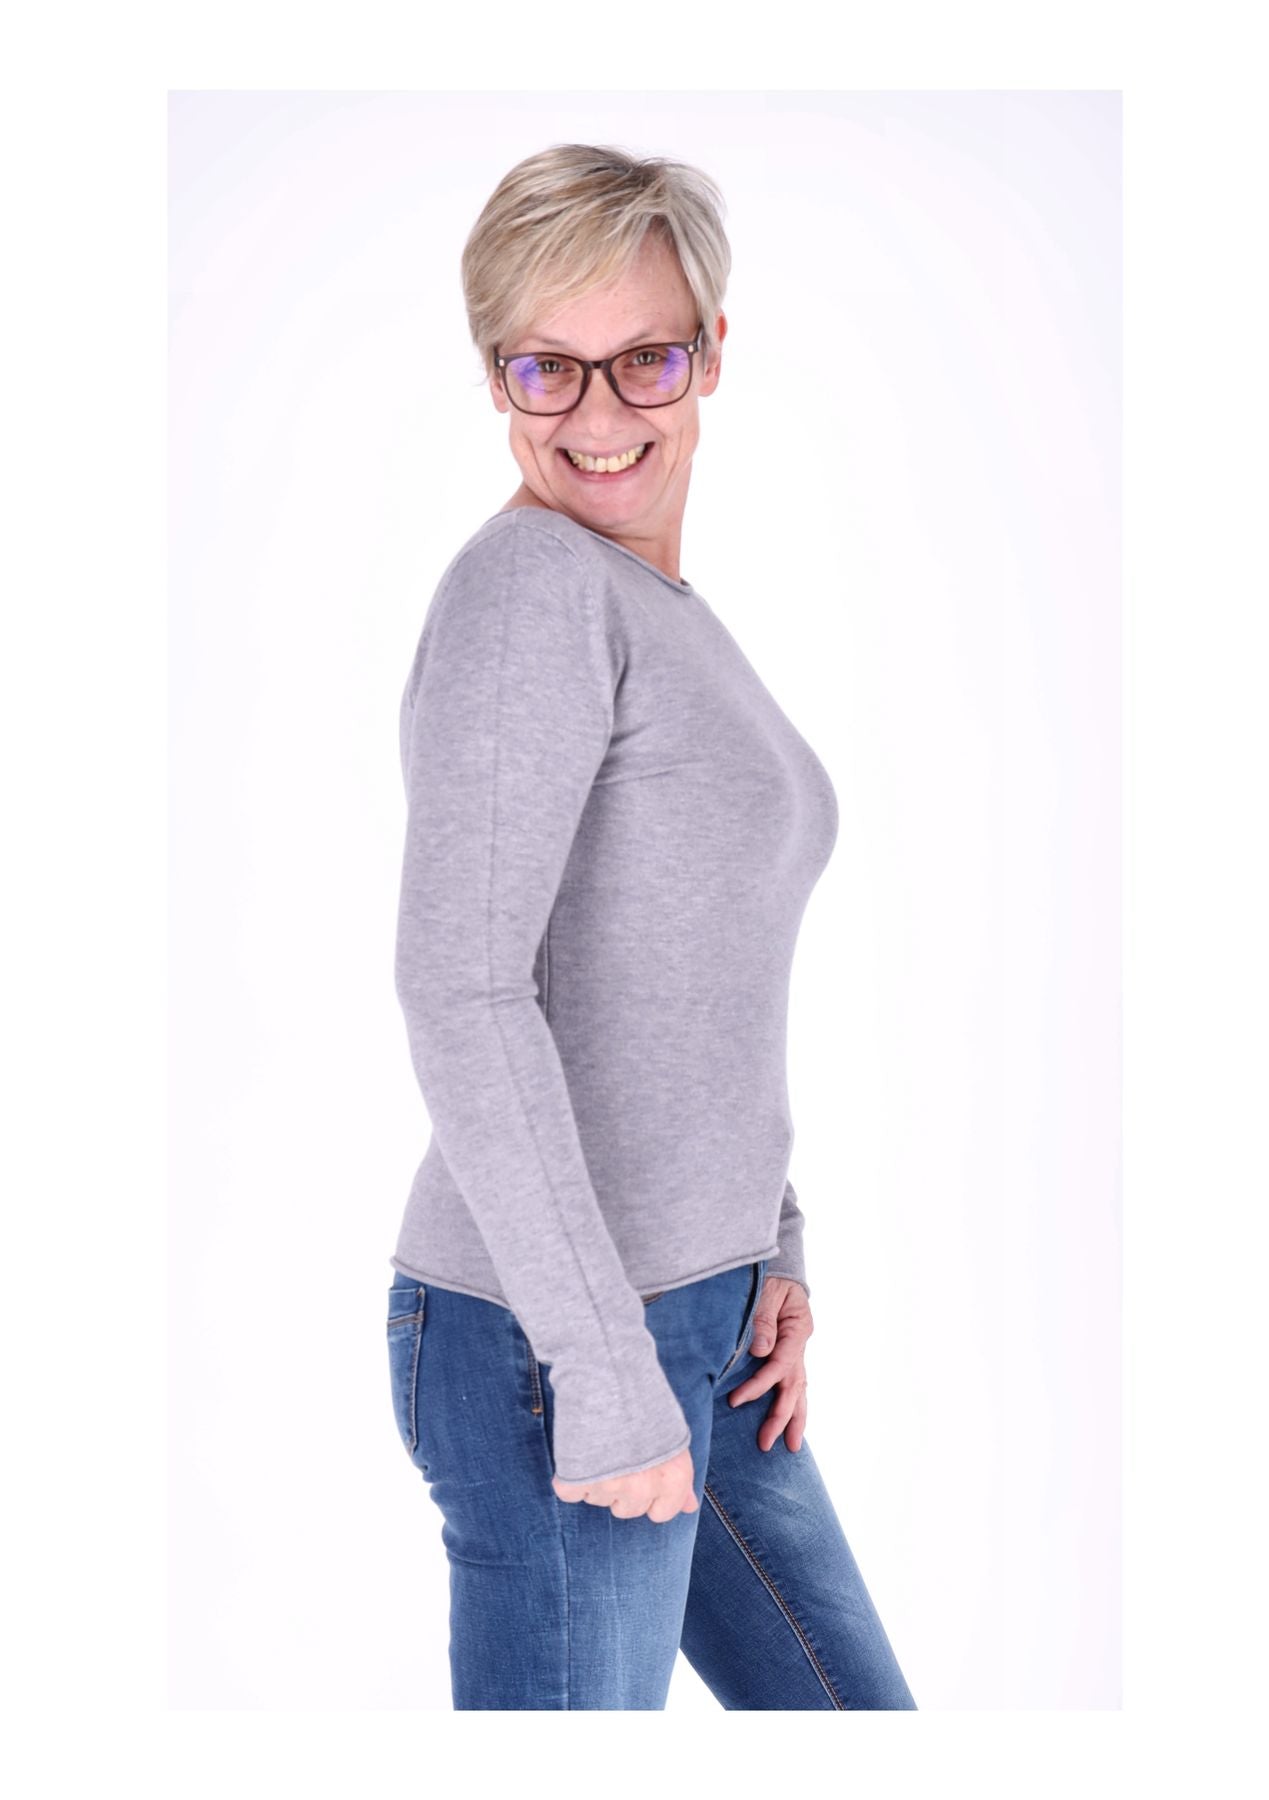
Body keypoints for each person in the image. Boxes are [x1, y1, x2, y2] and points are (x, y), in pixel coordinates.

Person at [385, 141, 918, 1712]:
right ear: (496, 373)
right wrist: (602, 1365)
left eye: (645, 359)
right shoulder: (529, 593)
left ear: (711, 353)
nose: (599, 414)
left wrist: (771, 1243)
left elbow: (685, 979)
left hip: (704, 1323)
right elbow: (462, 986)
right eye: (546, 367)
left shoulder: (649, 607)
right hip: (556, 1344)